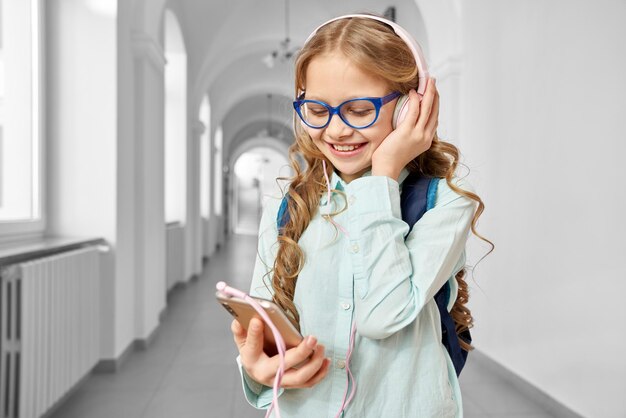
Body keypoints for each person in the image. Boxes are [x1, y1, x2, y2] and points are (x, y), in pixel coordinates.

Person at [230, 13, 492, 418]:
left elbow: (382, 317)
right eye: (317, 110)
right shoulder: (286, 203)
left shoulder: (445, 205)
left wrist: (383, 175)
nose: (335, 131)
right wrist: (259, 368)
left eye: (358, 109)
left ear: (409, 108)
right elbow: (269, 331)